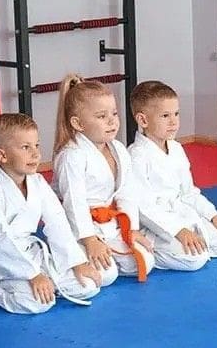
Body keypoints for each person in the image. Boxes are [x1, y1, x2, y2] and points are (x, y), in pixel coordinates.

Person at [0, 113, 104, 314]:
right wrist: (32, 275)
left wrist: (76, 262)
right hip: (0, 261)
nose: (35, 154)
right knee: (39, 304)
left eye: (37, 145)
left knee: (88, 284)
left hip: (32, 254)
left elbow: (57, 222)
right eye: (26, 147)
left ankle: (46, 286)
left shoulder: (37, 182)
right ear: (2, 155)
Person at [128, 80, 217, 271]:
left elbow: (189, 193)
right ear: (143, 120)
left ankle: (192, 247)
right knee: (194, 260)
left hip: (184, 215)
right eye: (165, 116)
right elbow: (143, 207)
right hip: (156, 226)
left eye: (176, 114)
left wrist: (214, 217)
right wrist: (178, 231)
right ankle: (154, 250)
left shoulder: (176, 148)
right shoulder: (136, 155)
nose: (174, 122)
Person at [52, 75, 155, 282]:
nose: (112, 121)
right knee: (104, 277)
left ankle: (105, 254)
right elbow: (75, 203)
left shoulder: (117, 148)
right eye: (101, 116)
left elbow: (126, 192)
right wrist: (89, 240)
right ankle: (55, 268)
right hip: (78, 228)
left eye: (114, 114)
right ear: (78, 124)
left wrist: (131, 230)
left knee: (145, 260)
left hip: (109, 224)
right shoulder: (72, 155)